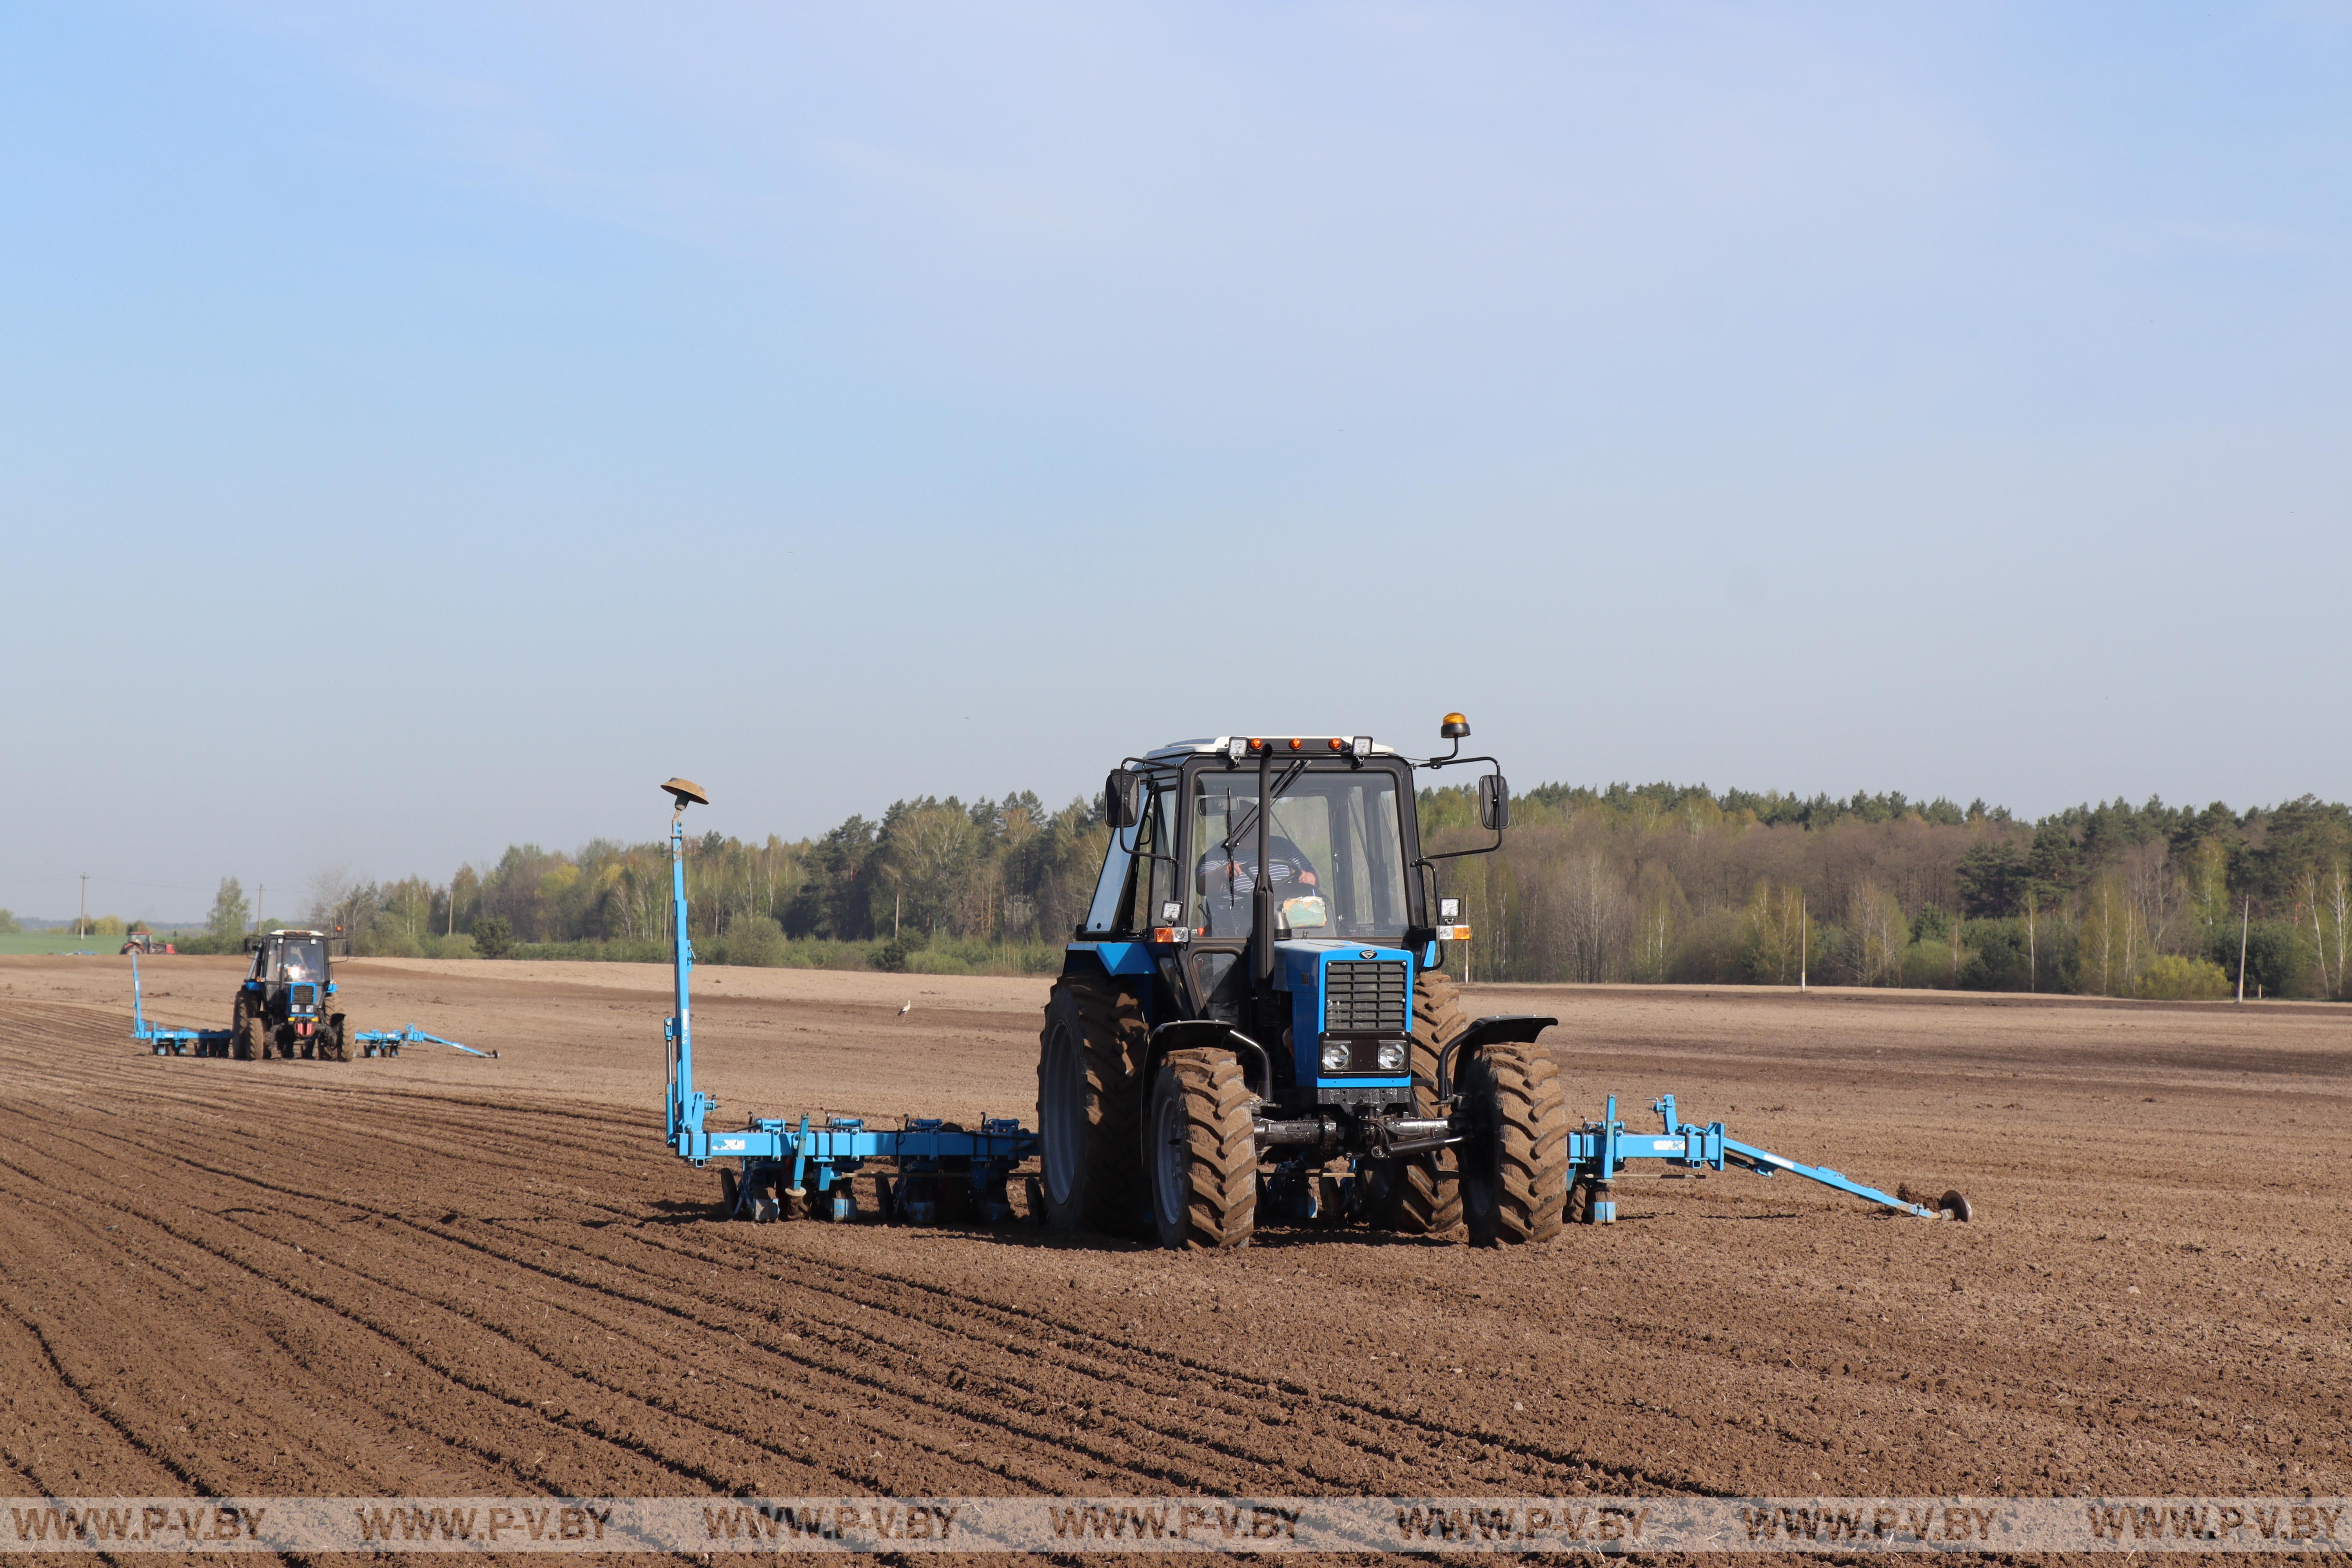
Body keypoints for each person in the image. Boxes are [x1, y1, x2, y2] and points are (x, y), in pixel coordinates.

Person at [1196, 836, 1320, 934]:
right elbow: (1202, 887)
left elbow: (1314, 880)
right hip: (1237, 937)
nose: (1247, 827)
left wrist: (1307, 878)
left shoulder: (1283, 846)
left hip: (1291, 927)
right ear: (1230, 824)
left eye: (1251, 821)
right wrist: (1221, 873)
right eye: (1240, 821)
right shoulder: (1217, 855)